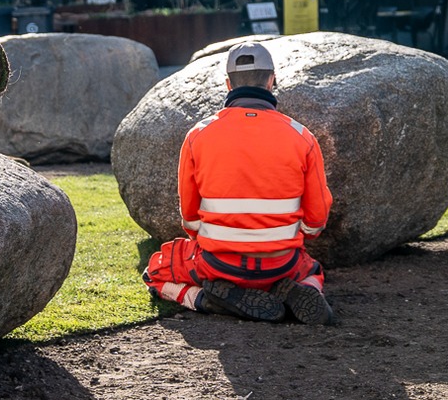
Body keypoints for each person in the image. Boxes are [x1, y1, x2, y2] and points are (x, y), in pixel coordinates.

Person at [142, 41, 338, 325]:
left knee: (155, 272)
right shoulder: (302, 136)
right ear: (271, 80)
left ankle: (207, 300)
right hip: (282, 263)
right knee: (312, 270)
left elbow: (190, 217)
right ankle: (301, 290)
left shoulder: (199, 135)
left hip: (217, 264)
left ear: (227, 84)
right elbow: (317, 220)